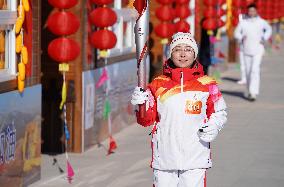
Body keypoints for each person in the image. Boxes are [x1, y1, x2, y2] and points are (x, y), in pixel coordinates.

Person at [131, 32, 227, 187]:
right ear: (171, 53)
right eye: (177, 49)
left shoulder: (208, 84)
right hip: (165, 157)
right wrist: (140, 104)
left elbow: (219, 112)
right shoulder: (157, 84)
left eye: (188, 49)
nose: (183, 54)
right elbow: (145, 120)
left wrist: (214, 126)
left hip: (196, 156)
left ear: (195, 53)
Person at [234, 3, 272, 101]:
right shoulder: (243, 22)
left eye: (253, 11)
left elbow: (269, 29)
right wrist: (241, 37)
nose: (251, 12)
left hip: (258, 49)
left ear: (256, 11)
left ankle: (253, 93)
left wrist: (264, 37)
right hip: (246, 49)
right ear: (248, 11)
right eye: (250, 11)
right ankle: (249, 90)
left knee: (255, 70)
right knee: (248, 71)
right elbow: (236, 33)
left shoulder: (261, 22)